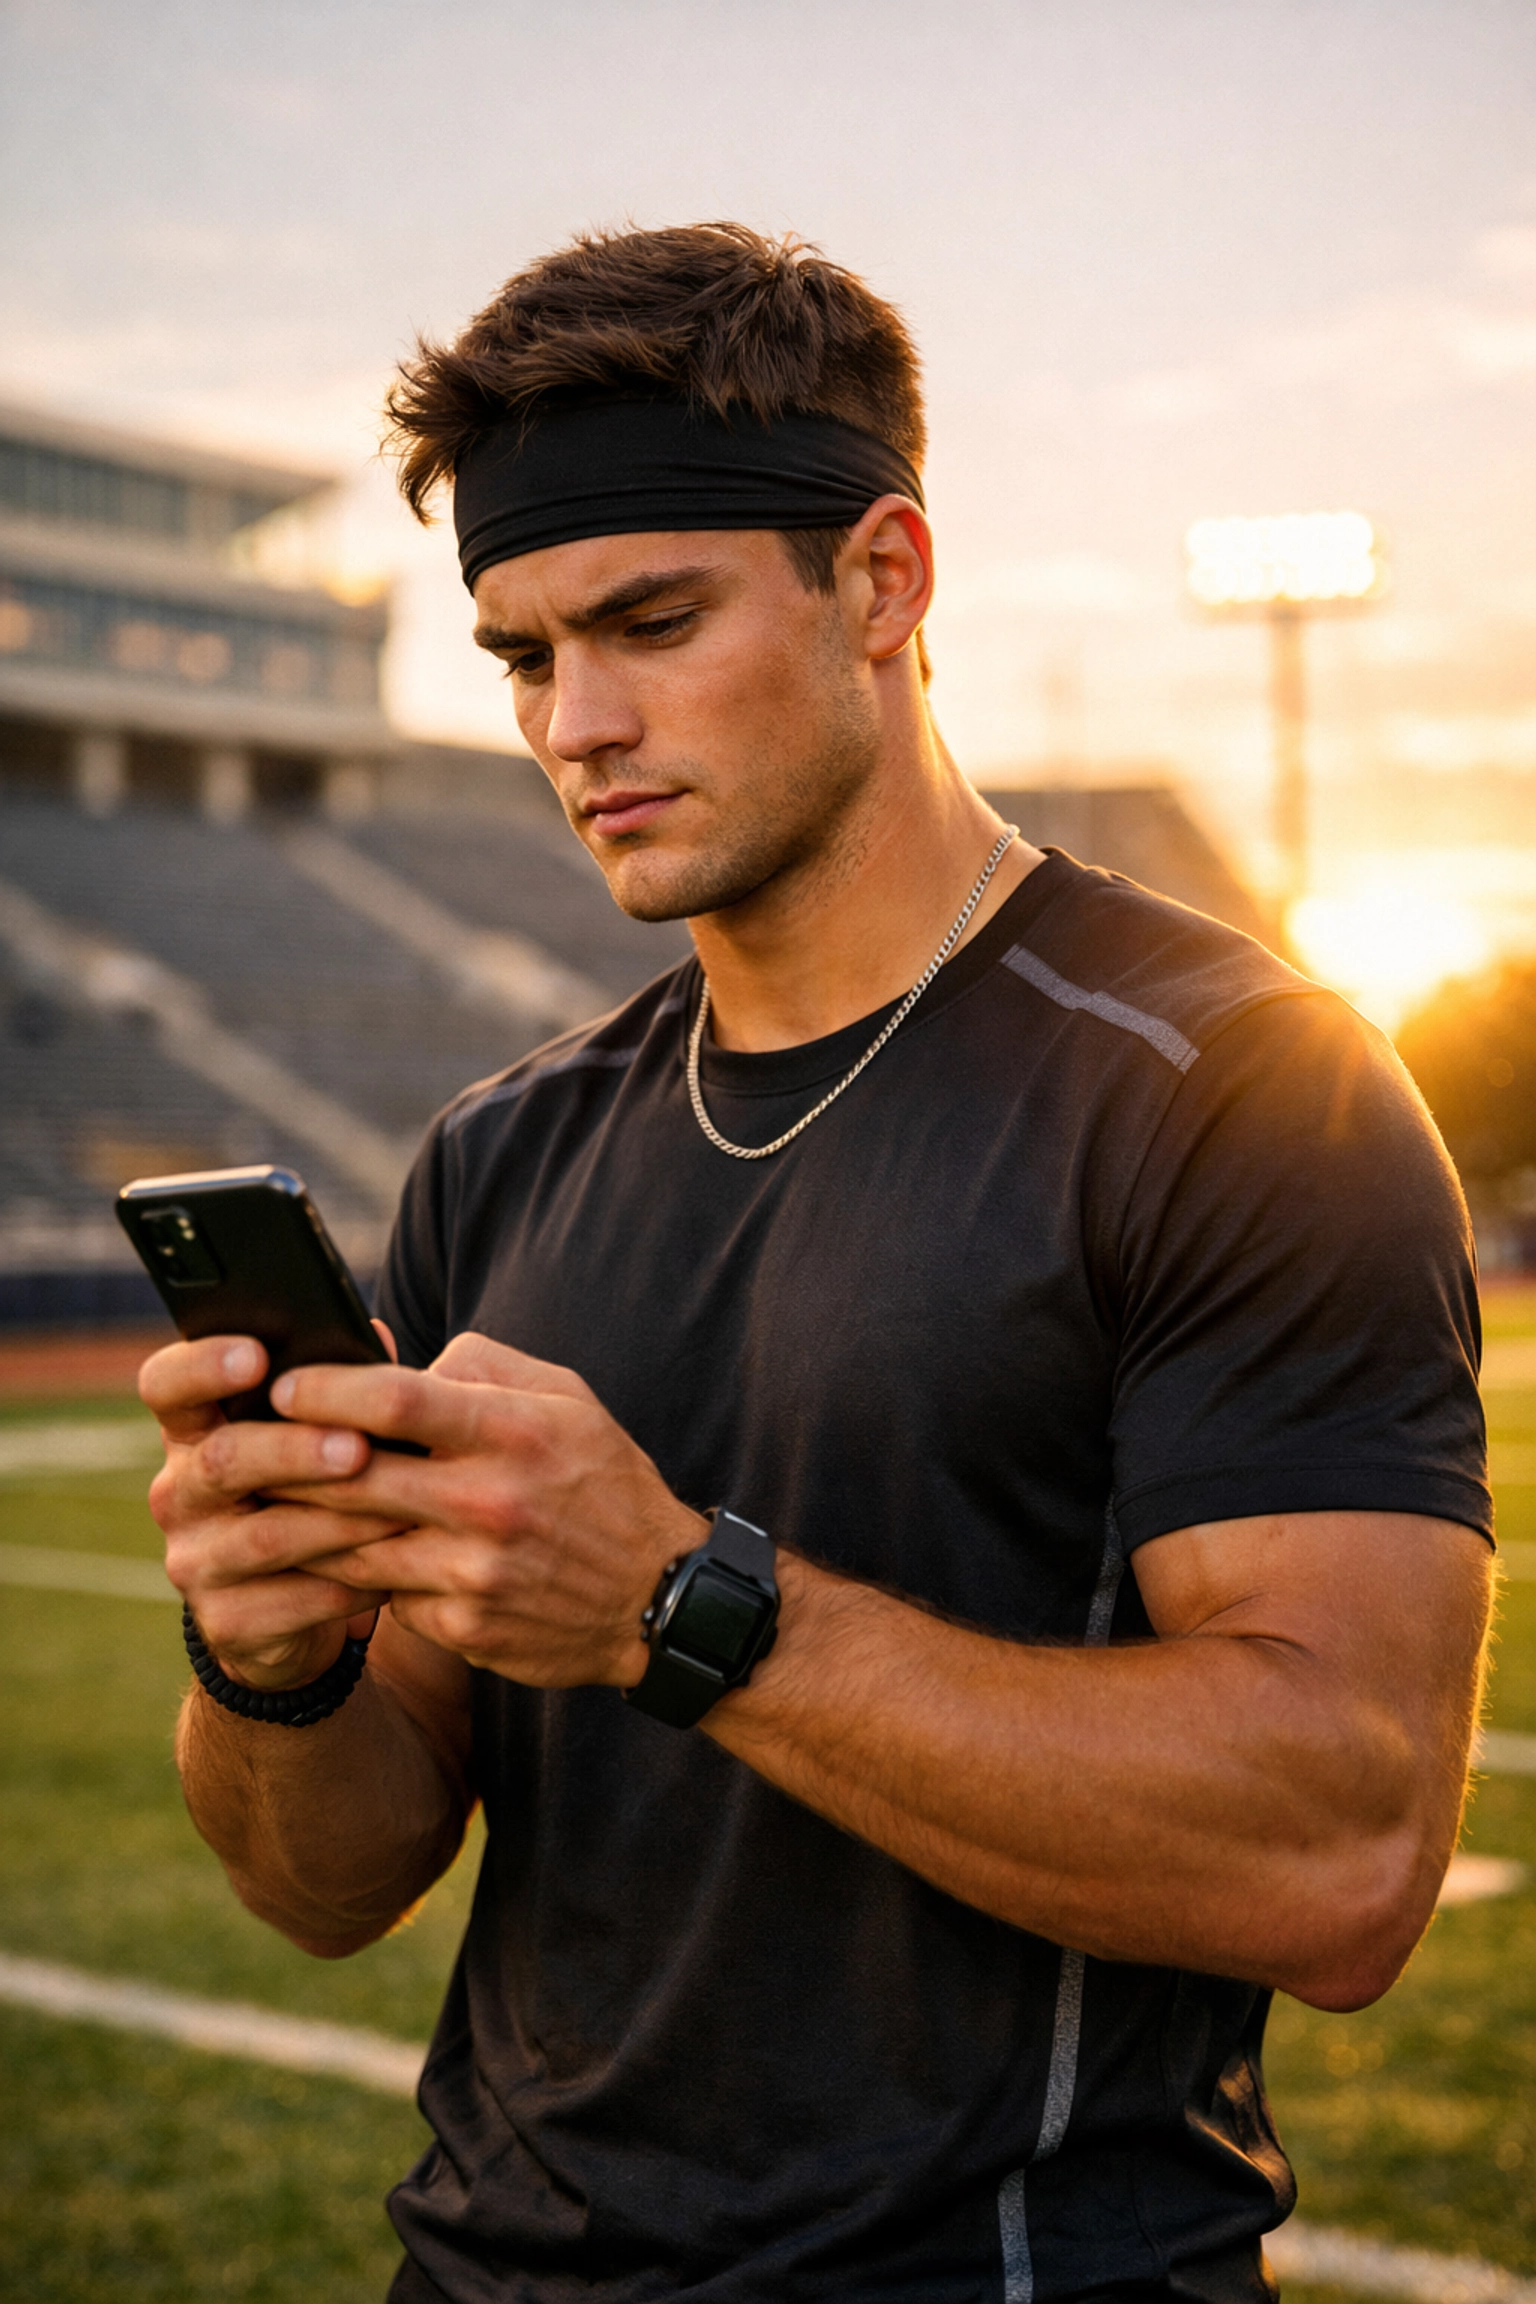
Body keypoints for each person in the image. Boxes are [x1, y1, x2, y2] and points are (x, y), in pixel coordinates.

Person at [141, 223, 1493, 2304]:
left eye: (651, 622)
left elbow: (1340, 1858)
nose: (575, 723)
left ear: (885, 580)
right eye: (521, 656)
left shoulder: (1232, 1081)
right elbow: (328, 1886)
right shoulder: (499, 1150)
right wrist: (274, 1653)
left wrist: (683, 1607)